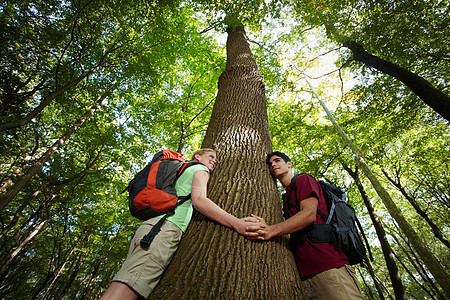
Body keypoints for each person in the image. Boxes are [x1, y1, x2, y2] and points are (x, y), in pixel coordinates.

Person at [100, 149, 262, 300]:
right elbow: (199, 200)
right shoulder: (199, 168)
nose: (214, 161)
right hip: (163, 229)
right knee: (128, 287)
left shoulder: (181, 171)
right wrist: (236, 223)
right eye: (210, 156)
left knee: (123, 283)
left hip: (151, 228)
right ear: (197, 157)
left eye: (216, 159)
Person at [249, 151, 364, 300]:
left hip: (329, 266)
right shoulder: (285, 197)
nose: (273, 165)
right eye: (270, 164)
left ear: (289, 164)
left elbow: (309, 215)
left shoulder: (303, 180)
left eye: (277, 161)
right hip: (304, 275)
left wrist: (271, 230)